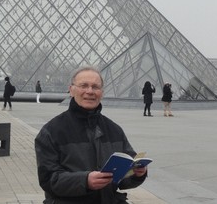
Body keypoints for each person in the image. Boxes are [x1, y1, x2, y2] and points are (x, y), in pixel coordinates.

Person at [34, 66, 148, 204]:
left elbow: (122, 179)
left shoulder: (114, 130)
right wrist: (85, 181)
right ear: (71, 90)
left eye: (95, 87)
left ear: (102, 92)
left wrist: (137, 174)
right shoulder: (51, 131)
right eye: (84, 86)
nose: (90, 91)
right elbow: (48, 179)